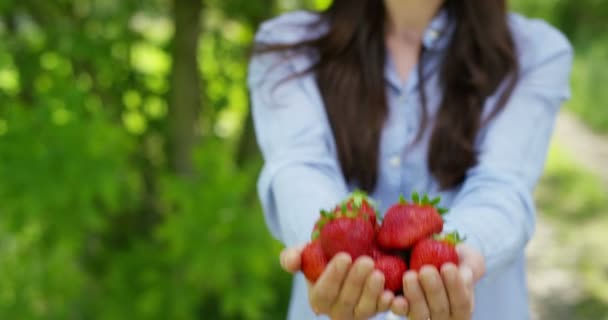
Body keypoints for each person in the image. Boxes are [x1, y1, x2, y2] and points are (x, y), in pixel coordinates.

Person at [247, 0, 573, 319]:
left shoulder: (535, 51)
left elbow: (503, 183)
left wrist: (452, 257)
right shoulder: (287, 46)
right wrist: (331, 248)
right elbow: (299, 167)